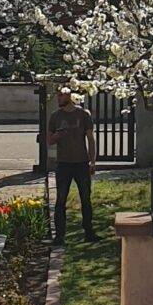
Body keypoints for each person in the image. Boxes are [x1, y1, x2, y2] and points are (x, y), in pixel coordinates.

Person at [48, 84, 96, 242]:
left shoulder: (83, 115)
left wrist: (92, 161)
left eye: (61, 95)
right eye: (58, 96)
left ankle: (89, 232)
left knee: (85, 198)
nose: (59, 98)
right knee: (61, 199)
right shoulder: (55, 117)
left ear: (69, 96)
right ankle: (60, 236)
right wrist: (57, 136)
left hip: (81, 163)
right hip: (63, 164)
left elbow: (90, 138)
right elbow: (49, 141)